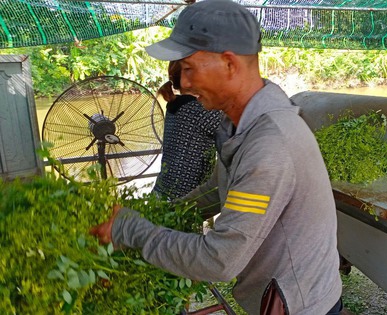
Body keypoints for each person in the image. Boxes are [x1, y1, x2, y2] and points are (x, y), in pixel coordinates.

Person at [90, 0, 344, 314]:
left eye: (188, 68)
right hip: (277, 297)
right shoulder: (236, 124)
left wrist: (131, 230)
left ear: (229, 63)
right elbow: (216, 189)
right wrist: (158, 213)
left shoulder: (270, 145)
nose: (183, 83)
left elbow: (219, 260)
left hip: (300, 306)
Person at [152, 60, 223, 200]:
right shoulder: (198, 109)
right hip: (183, 200)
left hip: (164, 192)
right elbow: (236, 131)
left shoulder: (176, 104)